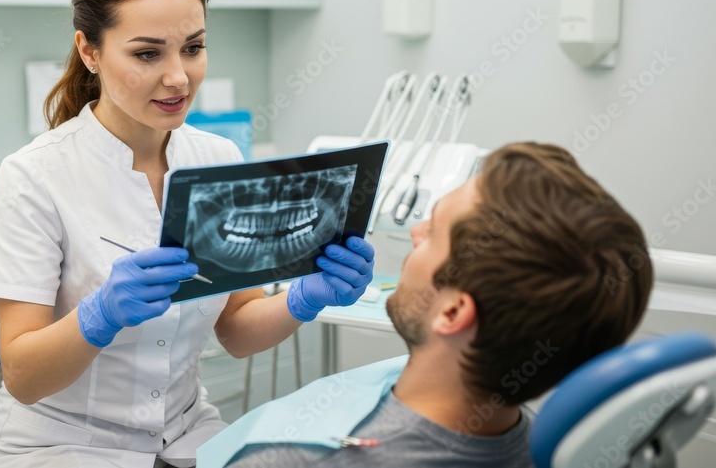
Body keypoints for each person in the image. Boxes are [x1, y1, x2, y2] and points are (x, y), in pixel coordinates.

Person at [0, 0, 376, 468]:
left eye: (193, 47)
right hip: (60, 444)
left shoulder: (218, 158)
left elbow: (236, 328)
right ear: (89, 51)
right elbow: (23, 378)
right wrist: (99, 315)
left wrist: (304, 299)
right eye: (147, 53)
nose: (179, 77)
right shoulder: (34, 176)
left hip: (186, 432)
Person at [201, 142, 654, 468]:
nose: (415, 235)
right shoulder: (529, 438)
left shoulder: (293, 460)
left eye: (433, 231)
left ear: (454, 313)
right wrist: (298, 302)